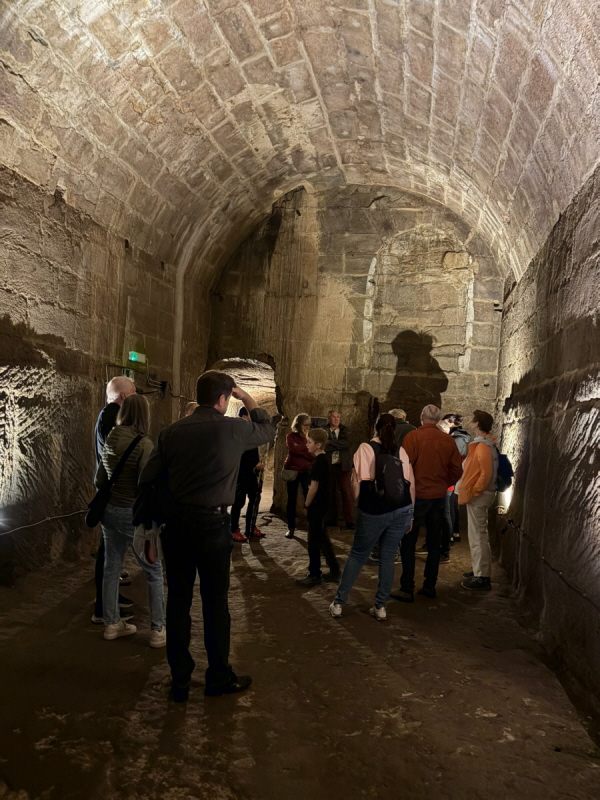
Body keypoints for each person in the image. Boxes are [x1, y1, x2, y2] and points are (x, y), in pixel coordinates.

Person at [139, 371, 275, 702]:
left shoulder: (172, 432)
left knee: (178, 601)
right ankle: (217, 676)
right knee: (215, 603)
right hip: (213, 525)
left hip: (177, 527)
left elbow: (148, 477)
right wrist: (246, 397)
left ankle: (180, 681)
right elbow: (267, 428)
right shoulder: (233, 429)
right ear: (224, 398)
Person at [95, 394, 166, 645]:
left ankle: (111, 624)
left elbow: (99, 479)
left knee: (111, 567)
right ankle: (158, 630)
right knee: (153, 570)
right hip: (132, 514)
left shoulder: (112, 437)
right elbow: (145, 484)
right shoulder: (144, 444)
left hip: (109, 511)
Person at [329, 414, 415, 621]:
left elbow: (356, 482)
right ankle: (380, 606)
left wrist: (359, 505)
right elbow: (410, 483)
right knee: (388, 557)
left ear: (375, 427)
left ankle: (339, 603)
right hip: (401, 509)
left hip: (374, 510)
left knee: (358, 555)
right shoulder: (401, 451)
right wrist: (410, 514)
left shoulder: (365, 448)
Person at [396, 405, 463, 600]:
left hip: (416, 496)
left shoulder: (413, 437)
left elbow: (403, 467)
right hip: (438, 496)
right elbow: (457, 470)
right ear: (438, 419)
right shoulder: (447, 440)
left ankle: (407, 587)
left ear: (421, 417)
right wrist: (444, 484)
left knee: (408, 541)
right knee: (434, 541)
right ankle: (429, 585)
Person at [91, 376, 136, 625]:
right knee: (108, 552)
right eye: (134, 393)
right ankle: (103, 607)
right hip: (112, 493)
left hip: (110, 490)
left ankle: (109, 600)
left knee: (111, 551)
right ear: (125, 396)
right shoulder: (112, 417)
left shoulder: (107, 414)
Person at [295, 428, 341, 587]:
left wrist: (306, 504)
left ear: (319, 444)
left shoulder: (318, 463)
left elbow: (313, 487)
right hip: (324, 503)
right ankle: (334, 570)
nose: (306, 444)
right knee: (322, 539)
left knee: (313, 541)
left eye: (309, 442)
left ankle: (314, 574)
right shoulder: (326, 459)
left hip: (317, 505)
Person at [459, 410, 498, 591]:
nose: (471, 422)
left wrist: (475, 490)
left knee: (478, 535)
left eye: (473, 420)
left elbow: (486, 473)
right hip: (480, 494)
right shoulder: (485, 443)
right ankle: (478, 570)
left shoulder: (483, 445)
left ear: (477, 424)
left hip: (480, 495)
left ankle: (482, 576)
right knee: (476, 534)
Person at [230, 407, 265, 542]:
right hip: (241, 473)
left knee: (254, 499)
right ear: (244, 417)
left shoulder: (250, 432)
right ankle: (234, 530)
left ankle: (251, 528)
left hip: (251, 473)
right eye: (251, 416)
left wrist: (257, 464)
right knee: (238, 502)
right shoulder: (237, 434)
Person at [441, 414, 470, 548]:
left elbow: (453, 458)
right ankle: (454, 532)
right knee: (451, 505)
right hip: (456, 476)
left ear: (451, 423)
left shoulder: (456, 439)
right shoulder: (460, 438)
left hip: (453, 477)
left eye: (445, 422)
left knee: (450, 506)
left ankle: (450, 535)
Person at [283, 413, 314, 539]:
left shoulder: (311, 437)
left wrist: (301, 450)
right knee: (291, 500)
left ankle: (311, 527)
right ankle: (291, 528)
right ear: (298, 425)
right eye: (305, 425)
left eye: (309, 425)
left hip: (306, 471)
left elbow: (313, 454)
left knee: (309, 499)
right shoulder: (290, 436)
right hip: (293, 470)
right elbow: (294, 450)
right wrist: (305, 449)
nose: (307, 427)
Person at [325, 410, 355, 530]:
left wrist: (330, 442)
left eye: (338, 417)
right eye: (333, 417)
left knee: (346, 493)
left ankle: (350, 521)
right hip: (329, 465)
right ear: (329, 418)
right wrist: (337, 444)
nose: (336, 419)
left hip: (343, 466)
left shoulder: (345, 430)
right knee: (329, 492)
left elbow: (346, 444)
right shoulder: (324, 430)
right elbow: (323, 445)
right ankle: (330, 519)